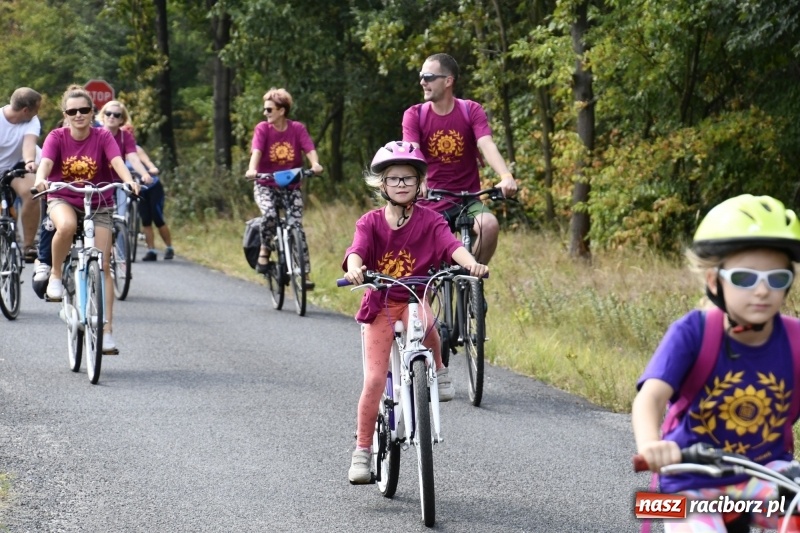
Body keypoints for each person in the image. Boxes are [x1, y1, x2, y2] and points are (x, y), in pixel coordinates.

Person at [631, 194, 800, 532]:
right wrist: (652, 447)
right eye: (745, 278)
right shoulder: (693, 332)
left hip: (765, 477)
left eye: (776, 278)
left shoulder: (795, 341)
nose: (763, 291)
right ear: (714, 281)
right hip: (690, 481)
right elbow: (650, 398)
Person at [343, 141, 488, 484]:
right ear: (383, 184)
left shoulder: (432, 220)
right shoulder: (370, 222)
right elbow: (356, 252)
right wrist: (354, 269)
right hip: (381, 306)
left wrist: (472, 264)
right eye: (394, 179)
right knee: (375, 381)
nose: (402, 184)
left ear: (420, 182)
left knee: (426, 320)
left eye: (409, 178)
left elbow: (453, 248)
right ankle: (362, 451)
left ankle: (438, 371)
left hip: (414, 298)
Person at [32, 85, 141, 354]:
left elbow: (117, 162)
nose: (78, 115)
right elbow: (45, 163)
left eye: (84, 110)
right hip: (62, 198)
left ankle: (106, 332)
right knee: (66, 226)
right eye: (72, 111)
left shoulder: (103, 136)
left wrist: (129, 181)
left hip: (99, 201)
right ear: (65, 114)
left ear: (93, 112)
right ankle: (56, 275)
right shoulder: (56, 137)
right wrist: (40, 180)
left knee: (104, 265)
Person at [402, 53, 517, 265]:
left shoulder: (470, 110)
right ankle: (427, 290)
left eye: (428, 76)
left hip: (468, 199)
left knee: (489, 226)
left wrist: (506, 175)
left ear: (448, 81)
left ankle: (469, 280)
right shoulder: (415, 115)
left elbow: (486, 144)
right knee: (419, 256)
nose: (422, 81)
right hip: (431, 201)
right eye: (421, 76)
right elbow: (412, 151)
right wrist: (420, 178)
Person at [244, 87, 323, 288]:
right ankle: (264, 250)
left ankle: (304, 276)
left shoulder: (297, 129)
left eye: (269, 109)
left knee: (296, 226)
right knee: (270, 215)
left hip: (291, 186)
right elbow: (257, 151)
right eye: (265, 109)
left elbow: (309, 149)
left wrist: (315, 164)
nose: (265, 113)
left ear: (282, 110)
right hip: (265, 185)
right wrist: (252, 169)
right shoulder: (263, 129)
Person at [118, 122, 174, 261]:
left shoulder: (136, 149)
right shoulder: (116, 150)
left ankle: (169, 247)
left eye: (130, 132)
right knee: (146, 220)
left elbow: (147, 163)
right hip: (135, 188)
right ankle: (151, 250)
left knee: (157, 217)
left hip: (151, 187)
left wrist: (152, 169)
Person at [0, 87, 42, 262]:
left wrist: (30, 161)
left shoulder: (31, 121)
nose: (37, 113)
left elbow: (28, 144)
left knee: (32, 192)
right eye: (37, 109)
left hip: (14, 166)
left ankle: (28, 246)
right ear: (26, 110)